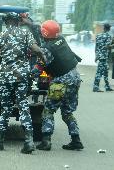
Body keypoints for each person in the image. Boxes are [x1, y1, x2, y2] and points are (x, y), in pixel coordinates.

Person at [0, 13, 40, 154]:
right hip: (21, 77)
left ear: (6, 22)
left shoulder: (0, 36)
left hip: (5, 77)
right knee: (23, 106)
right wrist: (43, 56)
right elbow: (35, 49)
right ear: (18, 21)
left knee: (5, 108)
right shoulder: (25, 33)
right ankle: (29, 141)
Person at [33, 20, 84, 151]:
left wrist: (27, 74)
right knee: (67, 112)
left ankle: (46, 141)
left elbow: (38, 69)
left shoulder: (47, 49)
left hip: (61, 82)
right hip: (75, 79)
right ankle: (76, 140)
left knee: (48, 111)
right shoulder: (61, 39)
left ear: (44, 33)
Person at [93, 23, 114, 92]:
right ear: (109, 29)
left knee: (105, 72)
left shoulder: (98, 35)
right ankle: (95, 87)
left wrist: (96, 56)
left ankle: (107, 86)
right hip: (104, 56)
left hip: (100, 56)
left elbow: (96, 47)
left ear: (104, 28)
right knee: (99, 72)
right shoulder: (108, 36)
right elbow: (107, 46)